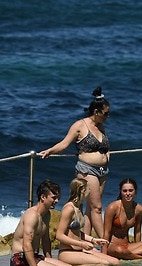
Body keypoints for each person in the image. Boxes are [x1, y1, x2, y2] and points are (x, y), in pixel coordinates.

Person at [39, 87, 110, 237]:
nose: (107, 116)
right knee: (97, 207)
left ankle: (87, 241)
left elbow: (105, 147)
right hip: (87, 170)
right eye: (105, 113)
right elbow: (64, 144)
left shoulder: (101, 127)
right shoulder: (79, 126)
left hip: (103, 171)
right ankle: (105, 242)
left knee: (91, 210)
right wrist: (50, 151)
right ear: (96, 112)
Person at [10, 180, 75, 266]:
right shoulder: (32, 215)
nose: (57, 201)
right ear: (43, 197)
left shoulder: (46, 214)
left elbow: (45, 240)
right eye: (54, 198)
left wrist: (50, 261)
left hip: (34, 256)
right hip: (20, 259)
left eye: (58, 198)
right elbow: (26, 245)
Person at [55, 178, 119, 266]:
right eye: (89, 189)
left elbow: (75, 232)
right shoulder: (69, 209)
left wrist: (93, 240)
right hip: (67, 252)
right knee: (104, 264)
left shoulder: (78, 206)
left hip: (79, 250)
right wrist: (81, 243)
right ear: (83, 190)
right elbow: (59, 235)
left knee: (115, 261)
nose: (90, 192)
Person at [103, 178, 142, 259]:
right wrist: (103, 254)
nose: (128, 193)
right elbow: (106, 232)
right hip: (113, 246)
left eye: (131, 190)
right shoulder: (113, 208)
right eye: (125, 191)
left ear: (135, 192)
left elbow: (137, 232)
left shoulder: (139, 209)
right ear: (121, 192)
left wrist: (141, 247)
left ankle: (130, 255)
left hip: (127, 246)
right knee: (120, 251)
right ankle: (141, 258)